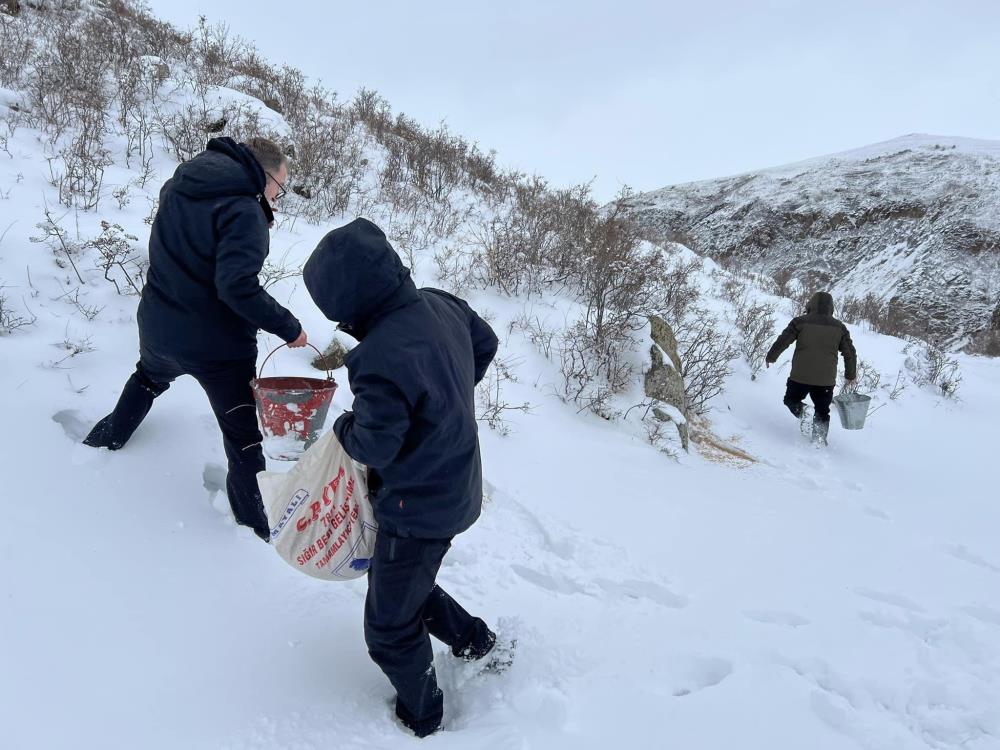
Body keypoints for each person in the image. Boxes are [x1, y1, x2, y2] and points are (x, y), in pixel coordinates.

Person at [303, 218, 500, 738]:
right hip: (456, 484)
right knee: (405, 582)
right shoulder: (441, 303)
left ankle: (424, 714)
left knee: (389, 629)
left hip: (417, 508)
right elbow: (486, 342)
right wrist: (449, 394)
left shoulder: (379, 356)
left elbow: (375, 443)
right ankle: (476, 642)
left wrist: (343, 425)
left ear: (348, 304)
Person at [83, 137, 307, 541]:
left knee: (148, 379)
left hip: (158, 325)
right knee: (242, 436)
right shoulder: (244, 209)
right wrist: (289, 327)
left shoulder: (179, 185)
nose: (278, 195)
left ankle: (102, 442)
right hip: (217, 347)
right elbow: (237, 287)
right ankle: (255, 526)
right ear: (265, 172)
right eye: (280, 185)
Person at [765, 291, 857, 444]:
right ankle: (819, 440)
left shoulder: (800, 322)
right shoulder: (839, 327)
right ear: (831, 308)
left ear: (811, 305)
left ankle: (803, 411)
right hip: (825, 380)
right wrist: (851, 375)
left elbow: (783, 341)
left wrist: (771, 357)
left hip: (800, 376)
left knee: (791, 399)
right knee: (822, 410)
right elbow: (850, 353)